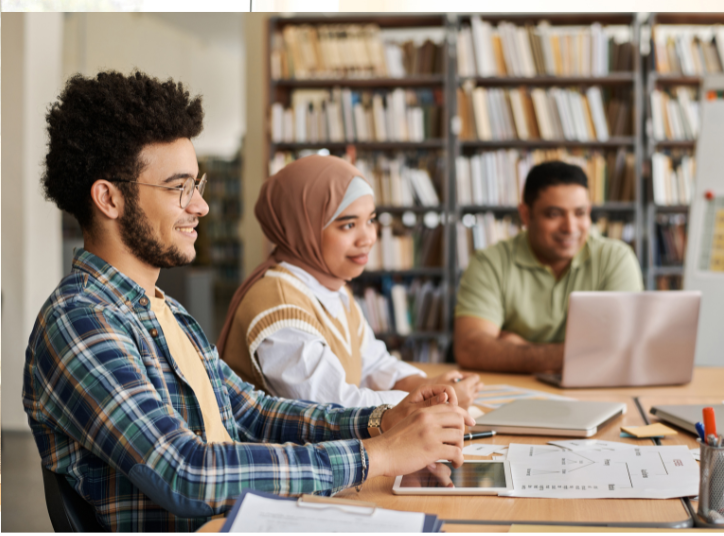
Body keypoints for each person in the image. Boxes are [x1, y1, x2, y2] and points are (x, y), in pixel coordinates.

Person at [23, 70, 474, 532]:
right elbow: (187, 473)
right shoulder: (79, 322)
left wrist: (383, 420)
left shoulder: (166, 311)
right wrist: (376, 455)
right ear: (109, 199)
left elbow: (252, 414)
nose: (200, 206)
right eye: (179, 188)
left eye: (196, 185)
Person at [217, 155, 482, 409]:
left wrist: (430, 386)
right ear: (303, 228)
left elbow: (375, 365)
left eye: (371, 220)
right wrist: (429, 400)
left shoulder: (333, 289)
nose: (368, 238)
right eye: (348, 225)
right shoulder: (278, 306)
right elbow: (336, 408)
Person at [453, 160, 644, 374]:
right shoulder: (490, 263)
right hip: (515, 391)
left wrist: (519, 348)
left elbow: (624, 350)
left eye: (580, 213)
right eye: (554, 214)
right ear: (526, 215)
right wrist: (584, 354)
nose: (570, 227)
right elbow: (470, 348)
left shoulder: (616, 259)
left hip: (593, 388)